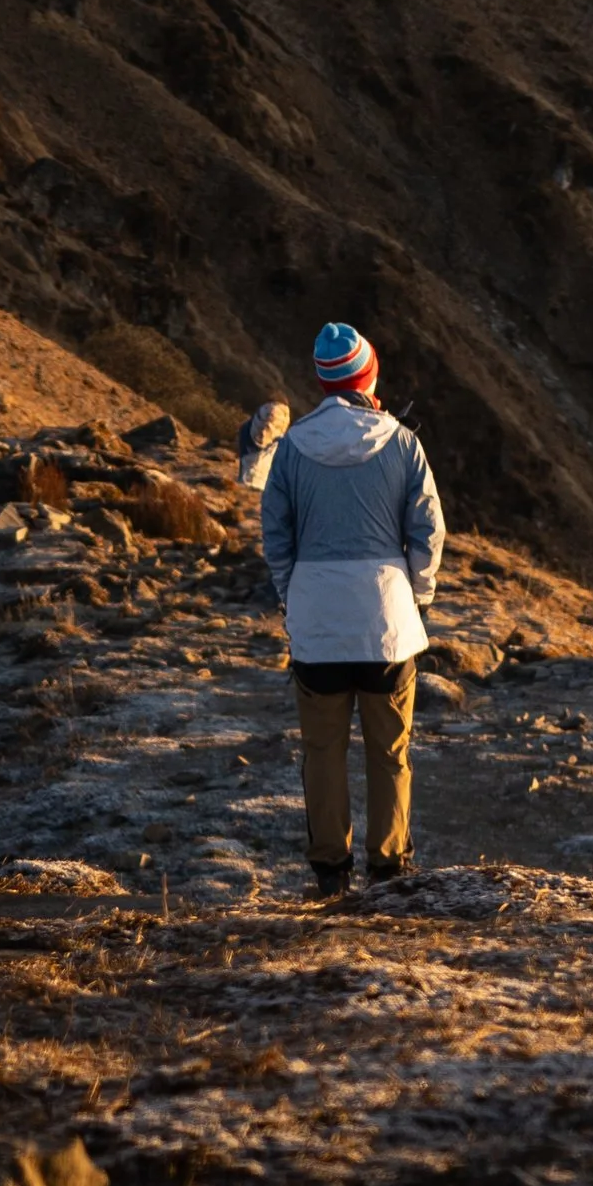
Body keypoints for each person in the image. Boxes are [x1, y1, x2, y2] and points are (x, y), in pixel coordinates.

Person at [259, 322, 445, 898]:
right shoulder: (403, 443)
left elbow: (276, 534)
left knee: (322, 750)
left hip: (317, 622)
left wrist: (294, 594)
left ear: (321, 379)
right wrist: (418, 593)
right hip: (387, 622)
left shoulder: (291, 449)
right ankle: (389, 866)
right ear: (369, 374)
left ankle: (331, 873)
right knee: (390, 751)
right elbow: (428, 530)